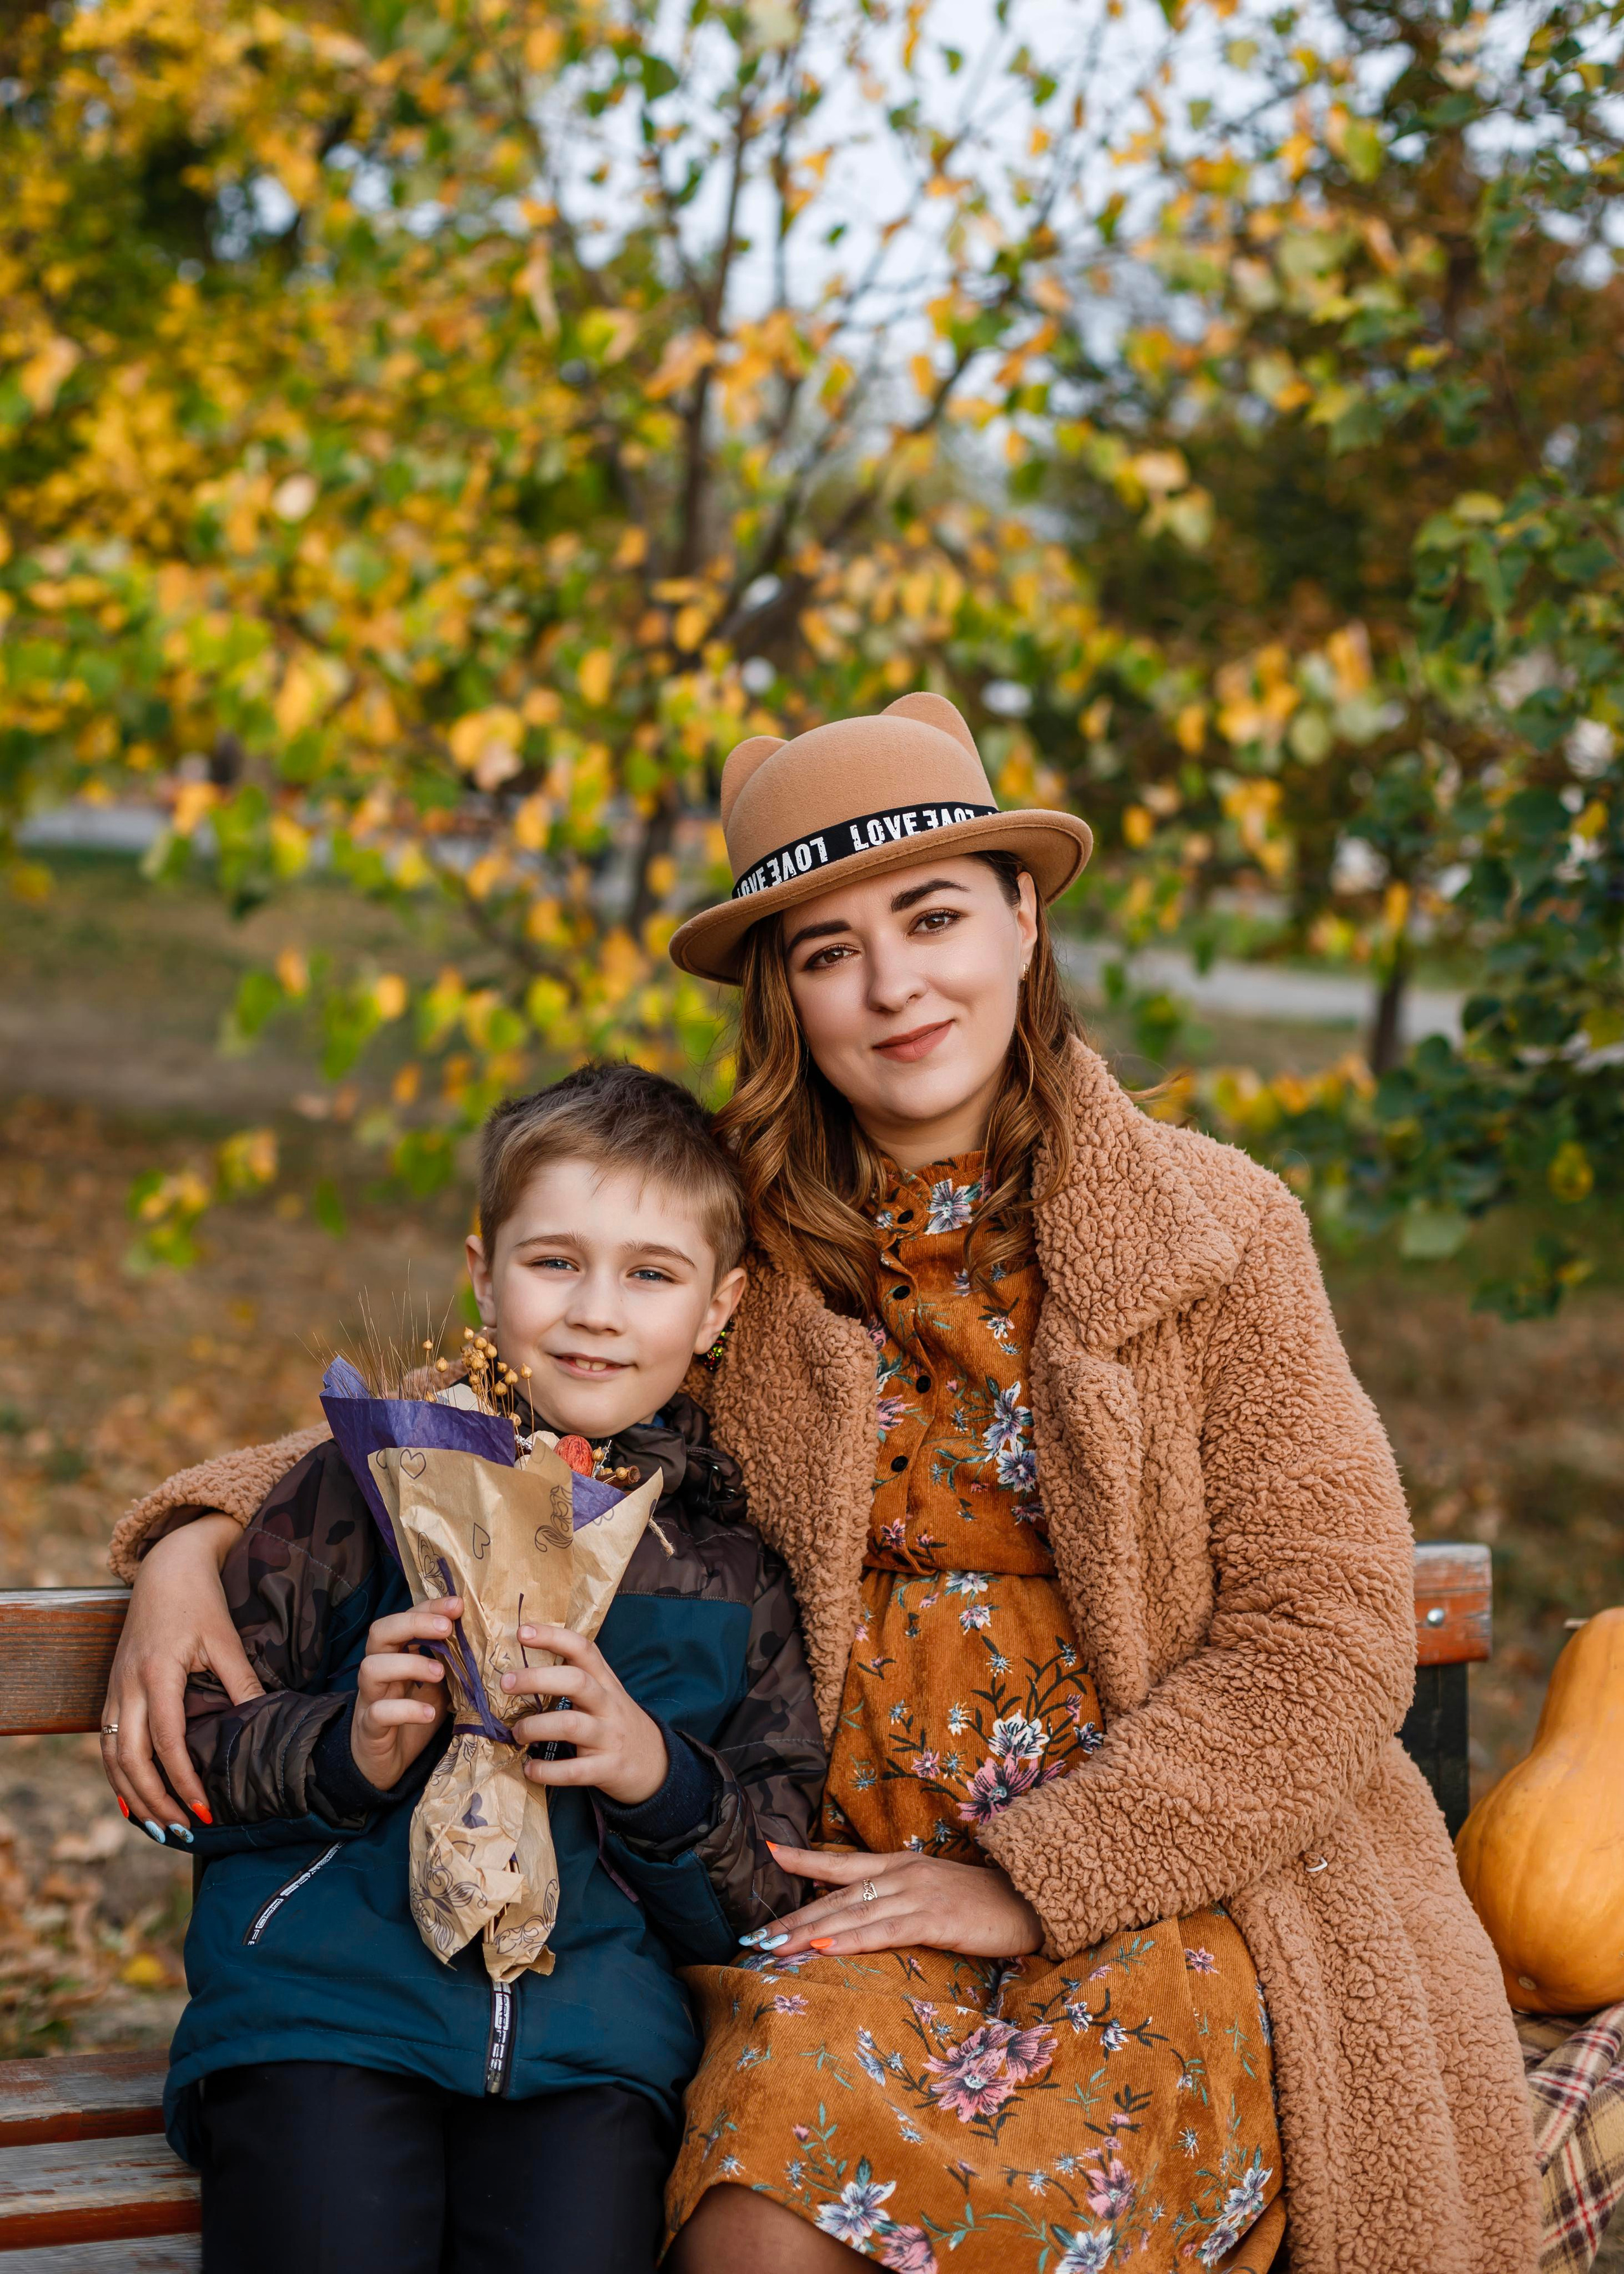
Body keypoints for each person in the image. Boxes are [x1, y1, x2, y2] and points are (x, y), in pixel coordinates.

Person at [103, 695, 1540, 2274]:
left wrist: (1028, 1875)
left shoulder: (1212, 1231)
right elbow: (499, 1409)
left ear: (1019, 917)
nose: (892, 985)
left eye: (929, 918)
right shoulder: (746, 1237)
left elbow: (1321, 1633)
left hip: (1165, 1881)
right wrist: (200, 1526)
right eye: (826, 950)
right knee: (755, 2218)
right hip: (820, 1877)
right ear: (788, 994)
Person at [106, 1065, 825, 2274]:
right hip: (320, 2020)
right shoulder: (367, 1489)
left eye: (652, 1274)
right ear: (483, 1270)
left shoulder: (728, 1576)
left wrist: (656, 1777)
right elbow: (179, 1772)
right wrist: (348, 1748)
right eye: (555, 1261)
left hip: (590, 2056)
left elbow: (764, 1894)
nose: (598, 1310)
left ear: (719, 1307)